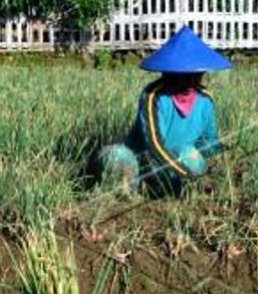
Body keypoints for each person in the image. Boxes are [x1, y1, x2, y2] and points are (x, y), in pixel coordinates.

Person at [99, 26, 232, 197]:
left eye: (195, 75)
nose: (189, 81)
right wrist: (185, 173)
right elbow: (154, 144)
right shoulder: (154, 96)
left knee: (190, 155)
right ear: (166, 73)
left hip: (177, 167)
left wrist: (227, 158)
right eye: (182, 75)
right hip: (144, 164)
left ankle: (177, 192)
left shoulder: (206, 100)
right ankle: (129, 195)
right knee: (116, 156)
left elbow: (208, 143)